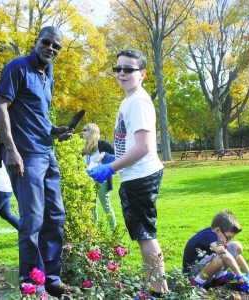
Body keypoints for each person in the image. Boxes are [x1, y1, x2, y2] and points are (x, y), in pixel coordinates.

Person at [0, 26, 79, 298]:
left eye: (57, 47)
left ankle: (52, 281)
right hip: (25, 156)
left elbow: (38, 115)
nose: (51, 49)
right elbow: (1, 106)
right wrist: (12, 150)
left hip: (47, 153)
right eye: (47, 43)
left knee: (55, 217)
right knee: (32, 221)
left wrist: (56, 130)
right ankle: (32, 285)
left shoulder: (47, 74)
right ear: (36, 41)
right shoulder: (17, 67)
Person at [87, 49, 168, 297]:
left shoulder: (139, 102)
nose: (121, 73)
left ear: (142, 74)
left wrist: (109, 168)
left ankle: (157, 292)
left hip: (141, 177)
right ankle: (157, 288)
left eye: (128, 69)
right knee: (144, 234)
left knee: (145, 235)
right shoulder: (129, 100)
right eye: (118, 68)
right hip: (134, 175)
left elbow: (144, 147)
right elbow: (131, 143)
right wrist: (115, 158)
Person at [183, 210, 249, 293]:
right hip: (192, 274)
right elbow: (225, 255)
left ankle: (219, 278)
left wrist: (248, 272)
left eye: (231, 238)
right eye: (228, 237)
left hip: (204, 268)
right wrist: (240, 276)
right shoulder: (208, 235)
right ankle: (195, 284)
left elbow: (234, 254)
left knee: (236, 246)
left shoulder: (216, 236)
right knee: (221, 258)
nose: (228, 241)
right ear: (218, 230)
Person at [82, 123, 116, 232]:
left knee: (106, 205)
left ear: (92, 131)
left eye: (85, 130)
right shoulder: (83, 146)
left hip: (102, 180)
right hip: (88, 179)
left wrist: (104, 157)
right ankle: (94, 234)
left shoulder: (102, 144)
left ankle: (114, 232)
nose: (82, 132)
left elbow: (116, 157)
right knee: (91, 207)